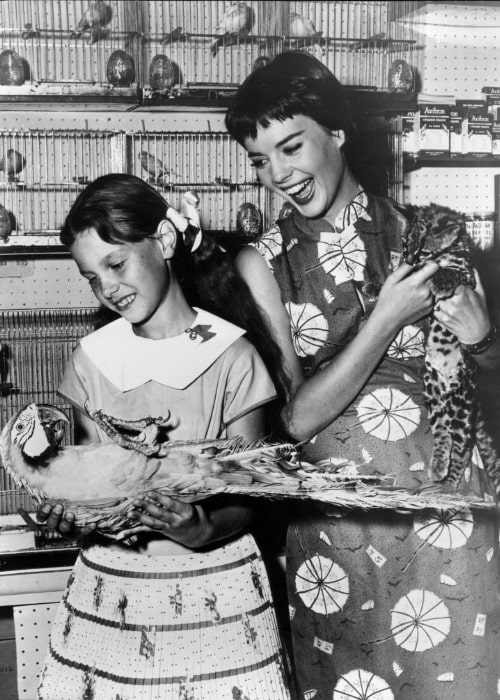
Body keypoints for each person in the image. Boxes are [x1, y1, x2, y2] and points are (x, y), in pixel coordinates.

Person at [225, 51, 500, 699]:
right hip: (339, 543)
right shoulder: (263, 265)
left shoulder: (428, 233)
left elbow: (480, 394)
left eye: (292, 147)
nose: (279, 175)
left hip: (450, 526)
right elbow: (291, 419)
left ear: (339, 133)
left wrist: (483, 338)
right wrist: (386, 317)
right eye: (262, 160)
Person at [36, 174, 292, 700]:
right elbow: (87, 478)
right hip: (114, 589)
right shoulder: (93, 359)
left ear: (165, 242)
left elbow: (248, 495)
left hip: (214, 592)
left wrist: (200, 528)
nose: (107, 287)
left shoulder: (231, 357)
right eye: (92, 277)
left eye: (116, 263)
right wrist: (69, 509)